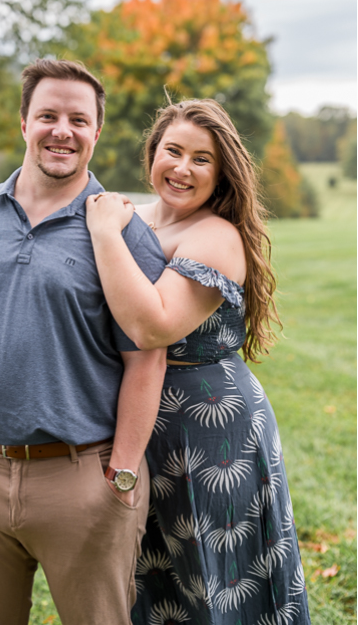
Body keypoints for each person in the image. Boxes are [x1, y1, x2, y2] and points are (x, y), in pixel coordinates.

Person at [0, 59, 169, 625]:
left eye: (79, 119)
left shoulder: (124, 231)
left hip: (84, 479)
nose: (63, 131)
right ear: (23, 123)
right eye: (48, 115)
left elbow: (146, 361)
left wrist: (122, 475)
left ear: (96, 132)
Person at [85, 99, 310, 623]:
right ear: (153, 153)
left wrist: (102, 233)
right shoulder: (133, 221)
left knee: (217, 578)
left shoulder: (215, 236)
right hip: (137, 421)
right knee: (149, 574)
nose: (183, 168)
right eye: (174, 151)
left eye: (202, 159)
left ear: (221, 172)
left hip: (211, 431)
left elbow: (152, 325)